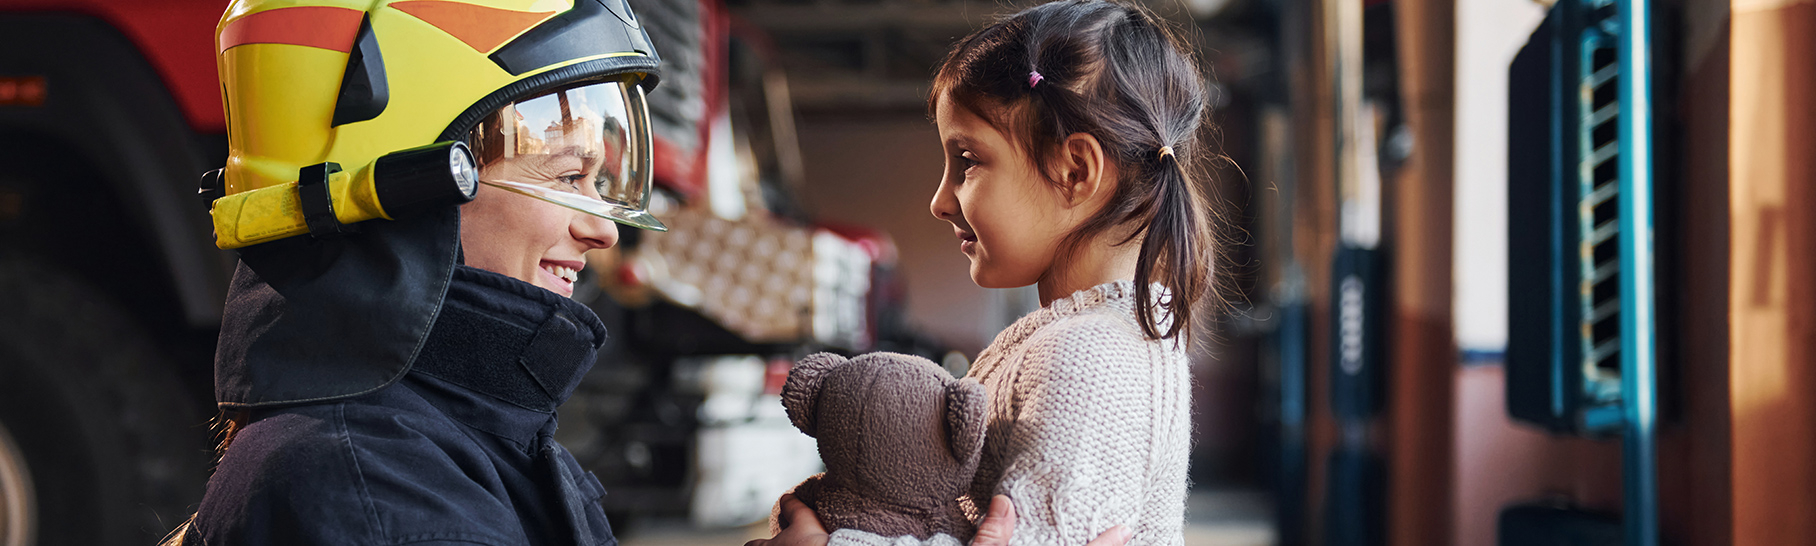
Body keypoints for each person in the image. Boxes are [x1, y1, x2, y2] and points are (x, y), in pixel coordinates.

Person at [167, 0, 669, 543]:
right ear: (411, 187)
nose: (605, 232)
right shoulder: (372, 488)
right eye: (569, 176)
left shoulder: (439, 453)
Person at [756, 1, 1215, 545]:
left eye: (968, 160)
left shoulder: (1092, 357)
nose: (939, 201)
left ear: (1075, 170)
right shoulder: (1087, 336)